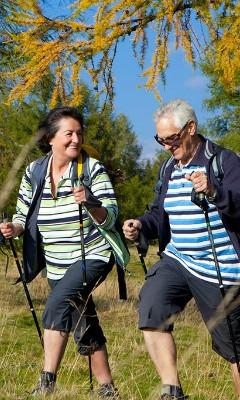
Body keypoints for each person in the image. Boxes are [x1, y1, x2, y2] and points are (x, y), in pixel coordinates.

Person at [0, 106, 127, 398]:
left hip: (93, 255)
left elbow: (110, 217)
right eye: (68, 133)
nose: (75, 139)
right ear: (50, 138)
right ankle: (107, 389)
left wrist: (90, 203)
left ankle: (46, 383)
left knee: (58, 304)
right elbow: (22, 215)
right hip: (56, 264)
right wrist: (12, 229)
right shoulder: (34, 171)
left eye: (79, 134)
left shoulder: (92, 169)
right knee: (84, 318)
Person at [123, 99, 240, 399]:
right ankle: (172, 391)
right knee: (152, 307)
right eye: (160, 140)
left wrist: (214, 191)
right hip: (178, 259)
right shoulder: (168, 169)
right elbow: (159, 214)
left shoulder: (223, 161)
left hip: (220, 266)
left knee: (234, 351)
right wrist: (141, 225)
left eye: (171, 139)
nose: (165, 146)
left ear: (191, 129)